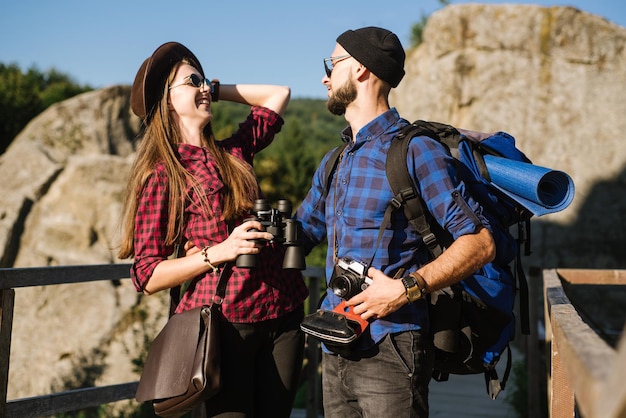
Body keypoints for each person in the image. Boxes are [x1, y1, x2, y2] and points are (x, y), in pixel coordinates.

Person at [295, 27, 496, 417]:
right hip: (332, 340)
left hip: (392, 346)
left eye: (331, 65)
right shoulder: (336, 160)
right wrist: (237, 237)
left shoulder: (416, 151)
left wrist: (405, 290)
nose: (324, 77)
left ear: (360, 70)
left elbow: (480, 241)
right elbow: (303, 233)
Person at [118, 41, 308, 418]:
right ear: (167, 100)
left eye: (204, 80)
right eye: (192, 82)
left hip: (284, 311)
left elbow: (277, 94)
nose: (203, 87)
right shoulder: (163, 176)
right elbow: (147, 274)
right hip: (225, 325)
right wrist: (219, 252)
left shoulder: (235, 153)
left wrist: (212, 89)